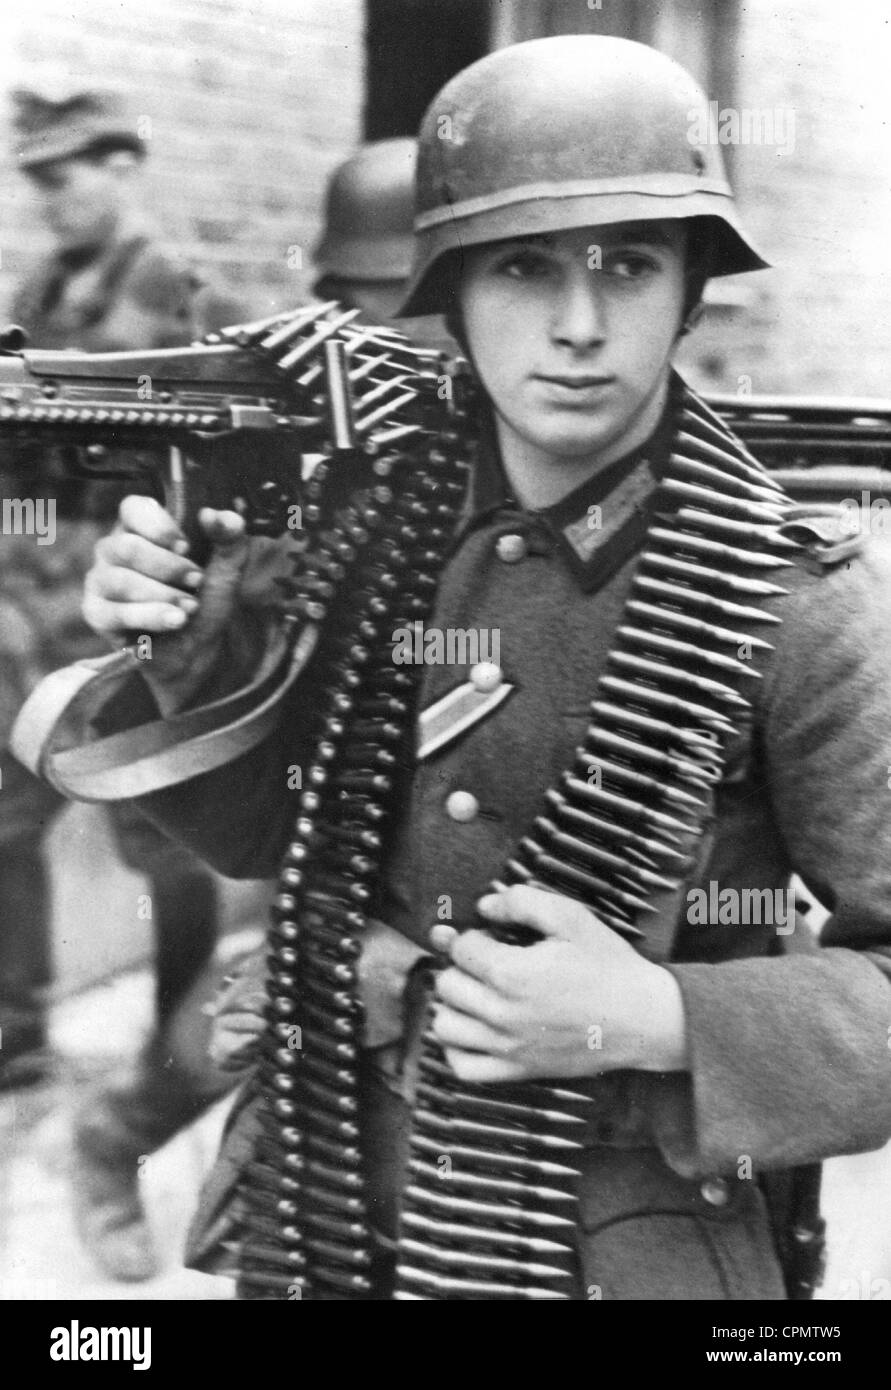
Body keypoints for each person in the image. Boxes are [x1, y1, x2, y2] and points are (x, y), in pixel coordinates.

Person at [17, 36, 891, 1300]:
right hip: (329, 1196)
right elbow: (279, 844)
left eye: (629, 266)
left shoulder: (792, 599)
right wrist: (191, 662)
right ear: (455, 293)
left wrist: (659, 1016)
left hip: (610, 1239)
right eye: (526, 267)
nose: (579, 327)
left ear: (693, 291)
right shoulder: (377, 526)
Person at [0, 84, 243, 1282]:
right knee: (6, 832)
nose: (51, 199)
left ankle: (169, 1066)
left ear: (124, 162)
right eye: (36, 180)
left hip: (136, 636)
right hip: (26, 633)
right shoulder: (39, 300)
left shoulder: (172, 298)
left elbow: (212, 480)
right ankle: (18, 1057)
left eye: (67, 176)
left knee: (173, 849)